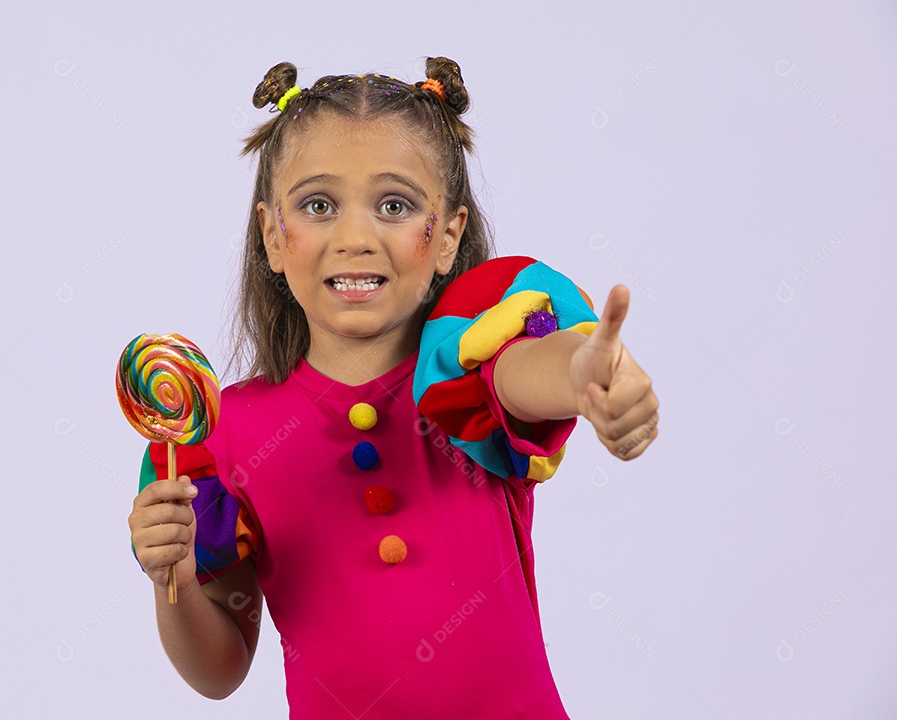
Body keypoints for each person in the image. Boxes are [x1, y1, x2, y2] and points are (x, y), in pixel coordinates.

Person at [127, 57, 659, 719]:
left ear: (447, 237)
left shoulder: (466, 368)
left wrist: (582, 371)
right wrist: (172, 574)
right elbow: (219, 670)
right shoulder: (219, 435)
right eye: (318, 205)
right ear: (271, 234)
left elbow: (531, 374)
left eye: (394, 205)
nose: (355, 238)